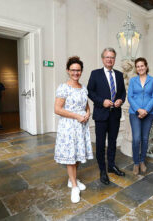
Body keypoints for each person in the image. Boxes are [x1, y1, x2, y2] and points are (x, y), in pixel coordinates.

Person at [54, 56, 93, 203]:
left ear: (81, 71)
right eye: (73, 70)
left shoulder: (83, 88)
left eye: (78, 70)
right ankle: (74, 187)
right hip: (69, 127)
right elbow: (57, 109)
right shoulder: (63, 87)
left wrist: (88, 113)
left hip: (81, 126)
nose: (76, 73)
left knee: (78, 155)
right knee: (71, 157)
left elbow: (86, 105)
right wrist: (76, 116)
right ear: (68, 71)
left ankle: (72, 179)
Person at [87, 47, 126, 185]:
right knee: (100, 143)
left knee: (113, 142)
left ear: (115, 59)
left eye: (112, 57)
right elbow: (90, 92)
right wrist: (101, 101)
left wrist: (121, 100)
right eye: (107, 57)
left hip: (115, 114)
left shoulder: (120, 75)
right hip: (101, 114)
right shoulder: (95, 74)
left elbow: (122, 93)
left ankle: (111, 165)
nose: (110, 59)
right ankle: (102, 170)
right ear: (103, 59)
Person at [128, 57, 153, 175]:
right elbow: (129, 97)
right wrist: (139, 110)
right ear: (136, 68)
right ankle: (135, 162)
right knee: (136, 139)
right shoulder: (132, 80)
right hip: (134, 113)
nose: (140, 68)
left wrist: (145, 110)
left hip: (149, 113)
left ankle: (142, 161)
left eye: (142, 65)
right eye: (138, 66)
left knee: (145, 139)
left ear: (146, 66)